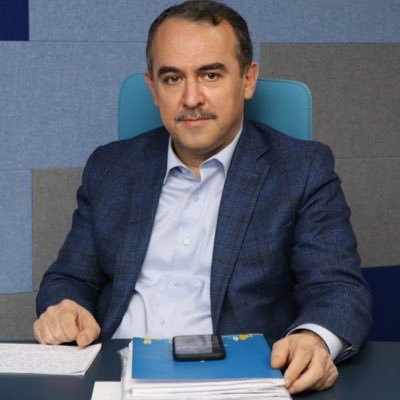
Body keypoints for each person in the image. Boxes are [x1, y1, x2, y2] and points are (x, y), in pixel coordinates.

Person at [33, 0, 372, 394]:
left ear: (247, 80)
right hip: (117, 380)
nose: (191, 98)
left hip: (236, 383)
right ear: (153, 89)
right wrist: (65, 308)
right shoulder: (110, 167)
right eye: (172, 78)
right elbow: (68, 278)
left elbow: (338, 289)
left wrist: (313, 339)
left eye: (211, 75)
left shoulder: (301, 170)